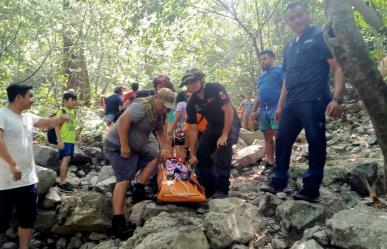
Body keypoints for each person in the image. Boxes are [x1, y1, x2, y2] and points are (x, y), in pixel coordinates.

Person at [262, 2, 344, 202]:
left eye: (299, 15)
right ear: (287, 21)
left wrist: (336, 98)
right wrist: (280, 105)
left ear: (307, 14)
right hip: (292, 102)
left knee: (315, 142)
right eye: (292, 18)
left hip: (314, 98)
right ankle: (278, 179)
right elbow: (286, 79)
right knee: (282, 141)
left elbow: (338, 66)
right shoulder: (289, 46)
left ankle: (311, 188)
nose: (296, 21)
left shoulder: (319, 36)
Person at [0, 84, 69, 249]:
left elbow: (49, 122)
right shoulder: (2, 115)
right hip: (4, 181)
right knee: (1, 221)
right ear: (18, 97)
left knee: (28, 218)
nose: (33, 100)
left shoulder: (28, 117)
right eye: (30, 96)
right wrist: (13, 164)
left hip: (28, 180)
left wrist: (61, 119)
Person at [103, 88, 175, 239]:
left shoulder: (158, 113)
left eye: (166, 107)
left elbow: (160, 133)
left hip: (137, 148)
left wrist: (166, 151)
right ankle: (118, 221)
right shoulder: (141, 106)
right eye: (162, 105)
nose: (164, 109)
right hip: (117, 146)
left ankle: (139, 189)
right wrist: (124, 145)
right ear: (156, 98)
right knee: (124, 179)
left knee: (156, 156)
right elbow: (123, 121)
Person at [182, 68, 241, 199]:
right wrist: (191, 153)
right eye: (189, 83)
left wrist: (225, 134)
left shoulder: (215, 88)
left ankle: (222, 189)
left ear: (201, 80)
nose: (192, 85)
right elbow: (191, 128)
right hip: (212, 125)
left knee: (222, 151)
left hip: (230, 122)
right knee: (201, 155)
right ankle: (210, 187)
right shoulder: (191, 103)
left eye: (194, 81)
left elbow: (228, 110)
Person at [251, 50, 284, 174]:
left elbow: (286, 88)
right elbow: (259, 94)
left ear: (272, 59)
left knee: (279, 136)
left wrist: (281, 106)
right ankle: (270, 162)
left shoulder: (280, 71)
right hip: (263, 109)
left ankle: (281, 163)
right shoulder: (261, 77)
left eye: (264, 59)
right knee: (267, 137)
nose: (262, 62)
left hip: (276, 107)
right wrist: (254, 110)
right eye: (260, 60)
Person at [55, 92, 79, 192]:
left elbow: (72, 126)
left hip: (71, 140)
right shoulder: (62, 111)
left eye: (75, 100)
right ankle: (62, 183)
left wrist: (76, 135)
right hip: (65, 140)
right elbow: (56, 126)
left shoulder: (73, 112)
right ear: (65, 101)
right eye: (72, 100)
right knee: (66, 159)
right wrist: (59, 140)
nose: (74, 102)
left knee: (67, 160)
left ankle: (63, 181)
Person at [168, 91, 188, 160]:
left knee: (181, 147)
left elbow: (177, 118)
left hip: (180, 128)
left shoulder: (179, 104)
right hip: (187, 126)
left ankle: (182, 164)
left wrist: (171, 129)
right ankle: (184, 162)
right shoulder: (186, 103)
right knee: (185, 147)